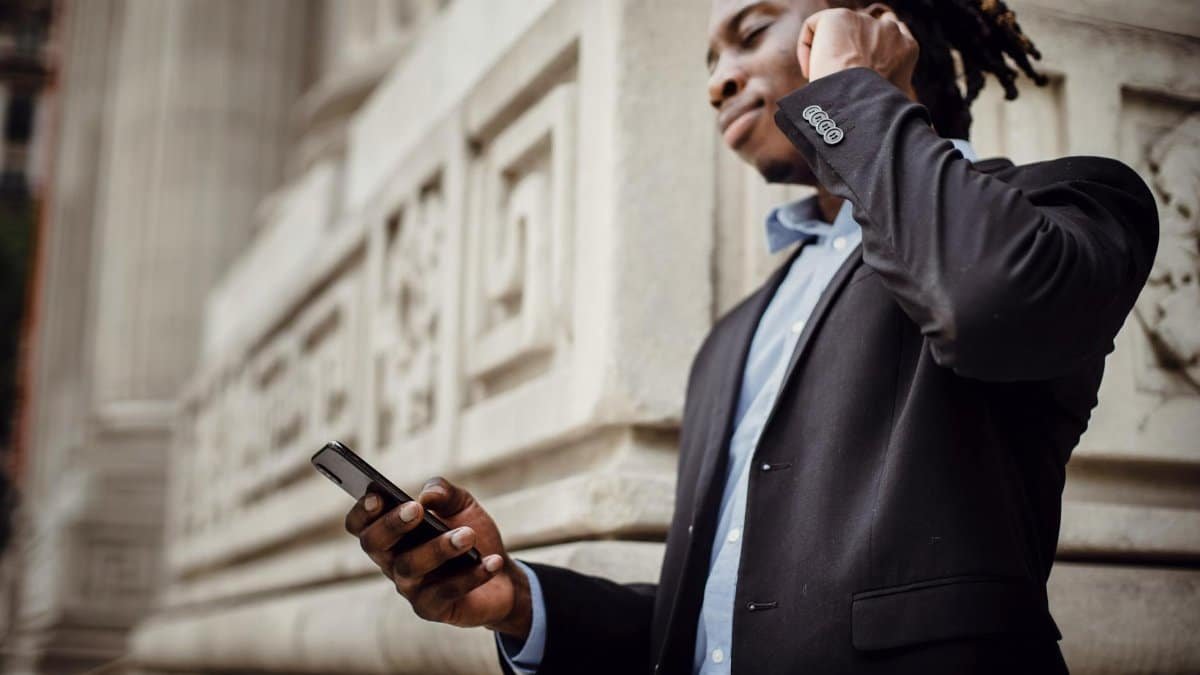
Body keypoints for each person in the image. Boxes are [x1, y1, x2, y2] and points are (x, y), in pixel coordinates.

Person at [342, 0, 1159, 672]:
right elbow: (719, 627)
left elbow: (983, 301)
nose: (716, 79)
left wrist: (853, 87)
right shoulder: (734, 340)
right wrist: (519, 601)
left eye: (752, 29)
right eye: (708, 56)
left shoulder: (1074, 203)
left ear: (871, 25)